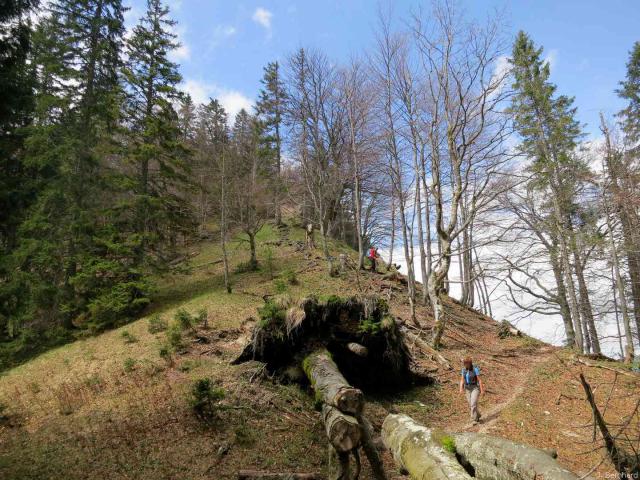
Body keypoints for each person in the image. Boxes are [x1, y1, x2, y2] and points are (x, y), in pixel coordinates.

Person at [459, 357, 484, 424]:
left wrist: (482, 390)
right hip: (467, 389)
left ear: (470, 363)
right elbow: (462, 380)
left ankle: (473, 419)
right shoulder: (463, 370)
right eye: (464, 363)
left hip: (475, 388)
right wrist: (461, 388)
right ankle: (478, 415)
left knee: (473, 404)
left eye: (466, 363)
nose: (465, 365)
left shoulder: (475, 369)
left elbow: (479, 380)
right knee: (471, 404)